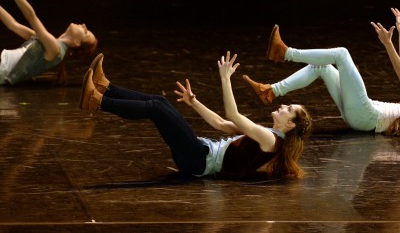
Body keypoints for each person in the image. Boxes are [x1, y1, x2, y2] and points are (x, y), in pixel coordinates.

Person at [78, 52, 312, 180]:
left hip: (198, 160)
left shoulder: (271, 140)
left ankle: (98, 101)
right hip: (199, 151)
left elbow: (232, 113)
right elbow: (221, 123)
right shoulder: (267, 136)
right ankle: (104, 87)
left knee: (157, 109)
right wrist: (194, 102)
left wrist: (225, 78)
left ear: (290, 124)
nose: (283, 106)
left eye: (288, 109)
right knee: (160, 102)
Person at [243, 8, 400, 136]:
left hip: (368, 115)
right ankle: (270, 91)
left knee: (342, 54)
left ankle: (285, 53)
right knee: (322, 66)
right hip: (363, 115)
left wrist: (388, 44)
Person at [0, 0, 97, 85]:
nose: (84, 26)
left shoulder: (55, 49)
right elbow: (13, 25)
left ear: (77, 42)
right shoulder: (48, 41)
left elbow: (31, 16)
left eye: (86, 32)